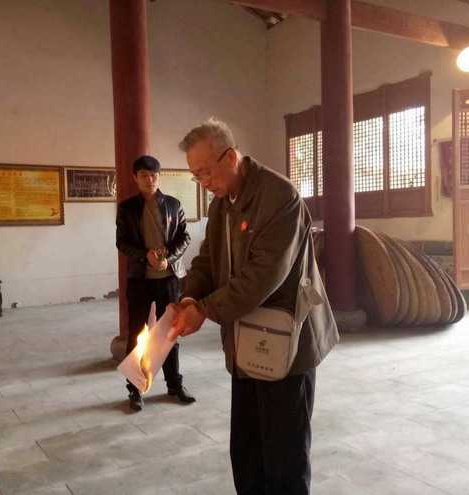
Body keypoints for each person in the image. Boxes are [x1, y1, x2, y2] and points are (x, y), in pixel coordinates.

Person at [168, 118, 339, 494]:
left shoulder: (279, 197)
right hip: (246, 342)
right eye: (196, 175)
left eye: (205, 172)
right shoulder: (221, 204)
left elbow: (262, 278)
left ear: (230, 158)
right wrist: (189, 298)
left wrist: (205, 310)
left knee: (284, 458)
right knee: (247, 453)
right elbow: (207, 260)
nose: (202, 182)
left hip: (287, 343)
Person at [116, 155, 195, 412]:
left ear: (159, 177)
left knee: (170, 333)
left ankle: (174, 384)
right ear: (135, 178)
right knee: (135, 334)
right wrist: (145, 256)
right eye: (144, 176)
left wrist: (168, 258)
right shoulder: (127, 208)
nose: (149, 180)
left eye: (153, 175)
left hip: (168, 278)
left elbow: (184, 237)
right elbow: (122, 242)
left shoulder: (173, 204)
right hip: (139, 279)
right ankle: (135, 389)